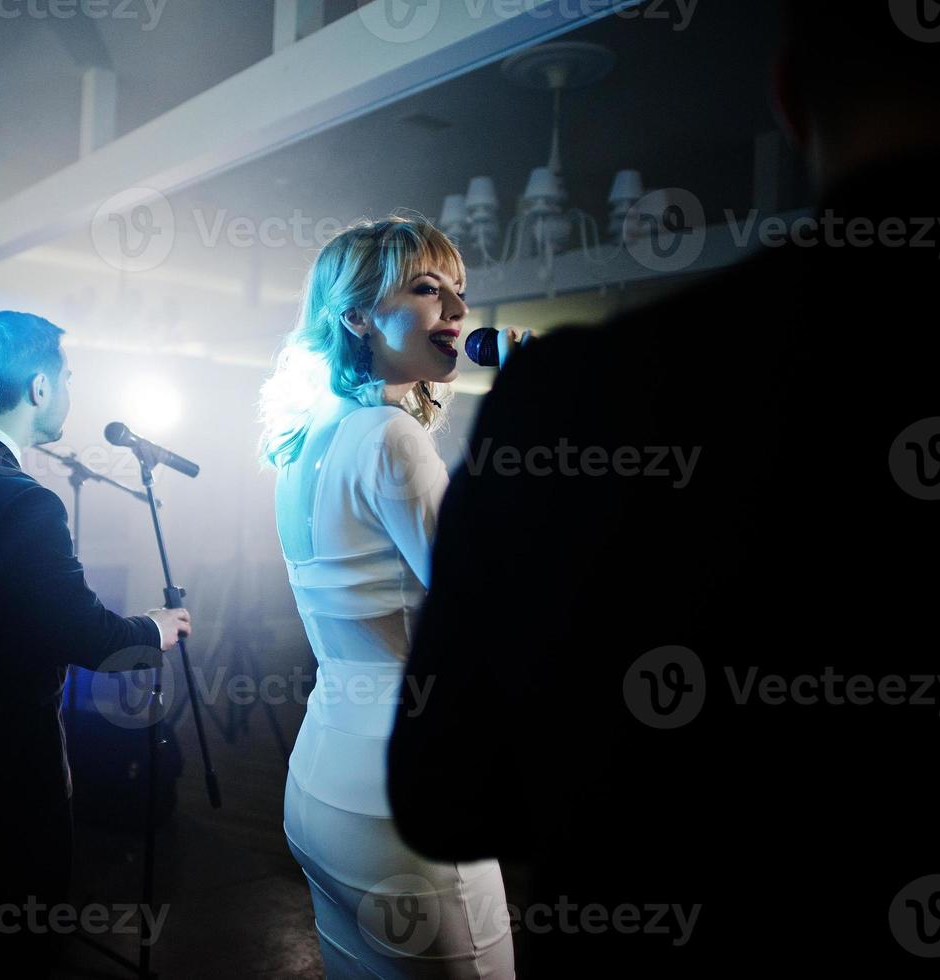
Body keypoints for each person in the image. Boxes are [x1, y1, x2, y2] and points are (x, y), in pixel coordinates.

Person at [388, 5, 940, 976]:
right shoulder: (422, 431)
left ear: (790, 98)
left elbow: (452, 789)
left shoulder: (574, 395)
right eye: (434, 293)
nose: (457, 312)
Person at [0, 310, 192, 976]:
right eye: (69, 376)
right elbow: (83, 634)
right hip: (9, 760)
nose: (72, 391)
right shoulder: (24, 500)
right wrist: (154, 630)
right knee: (25, 928)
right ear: (40, 389)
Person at [258, 216, 515, 978]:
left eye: (460, 293)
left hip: (321, 782)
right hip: (404, 803)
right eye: (427, 289)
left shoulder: (304, 440)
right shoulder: (390, 437)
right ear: (357, 314)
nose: (457, 312)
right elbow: (491, 610)